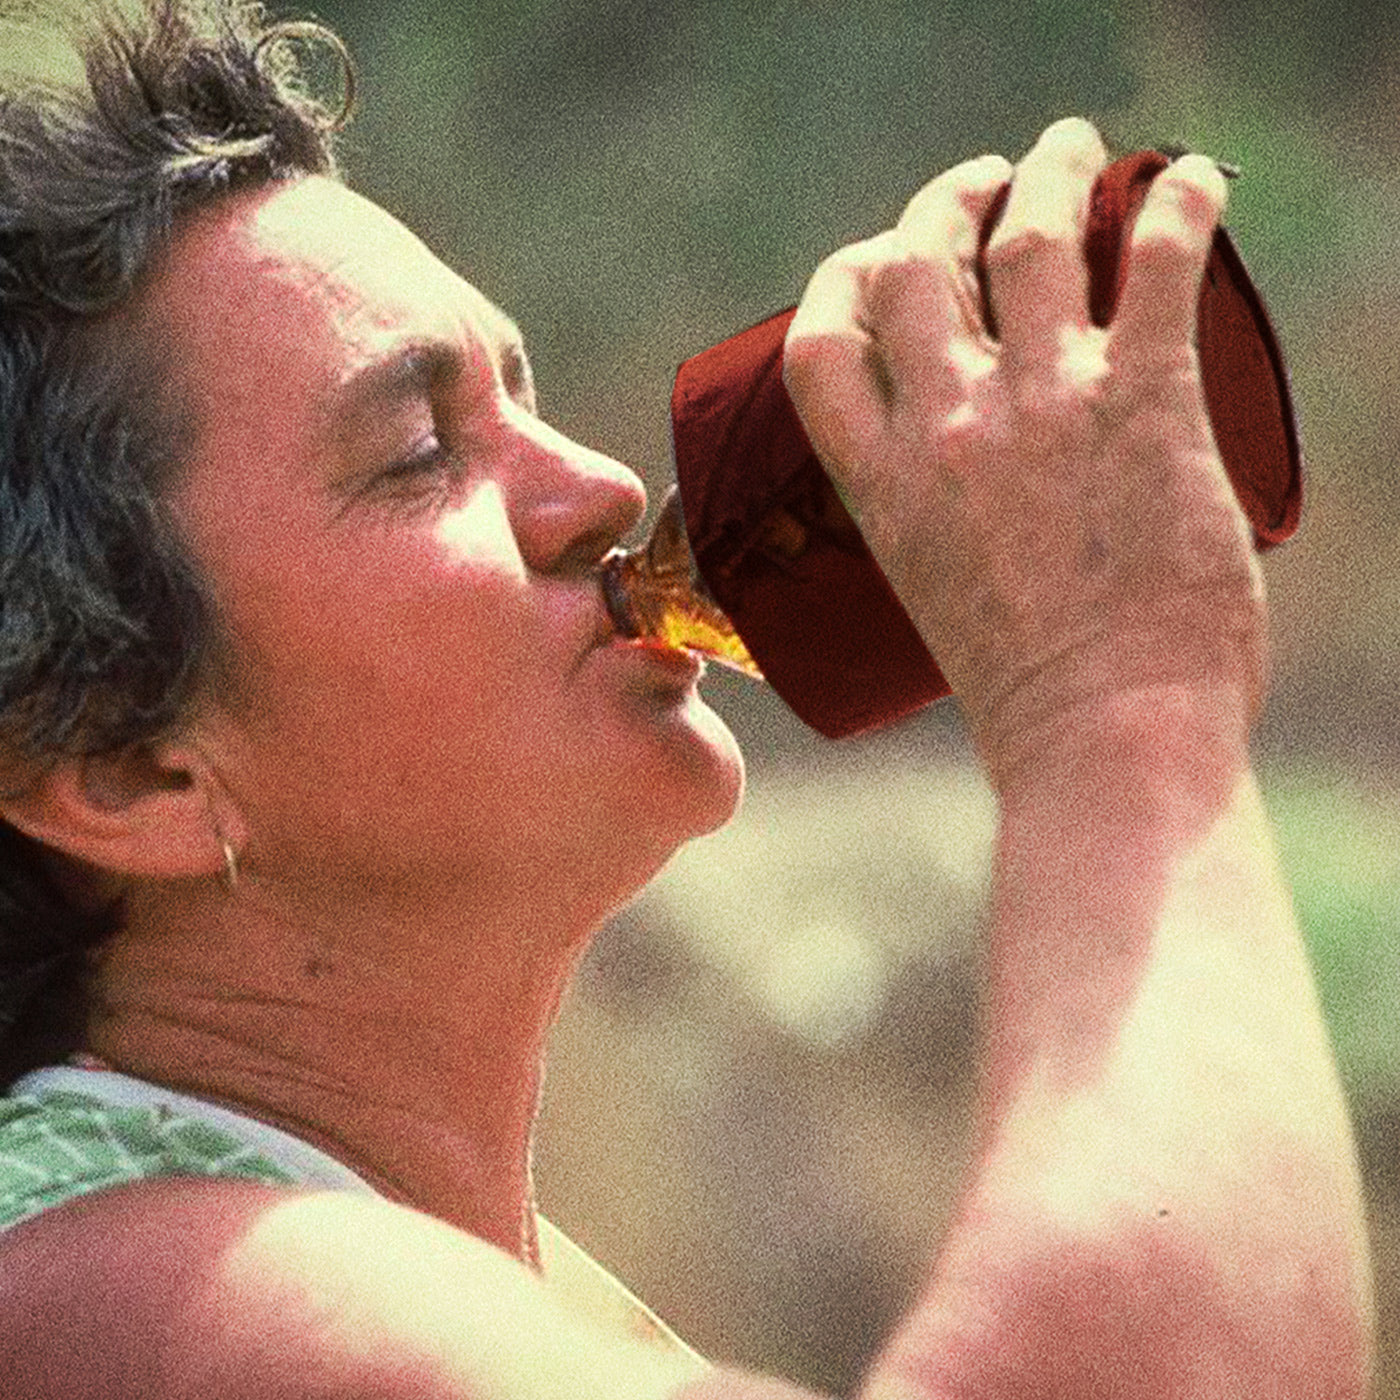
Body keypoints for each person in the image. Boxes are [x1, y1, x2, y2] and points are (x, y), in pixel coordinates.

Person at [0, 2, 1372, 1396]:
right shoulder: (147, 1294)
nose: (599, 486)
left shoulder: (374, 1254)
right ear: (125, 767)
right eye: (421, 451)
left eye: (525, 398)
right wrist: (1122, 702)